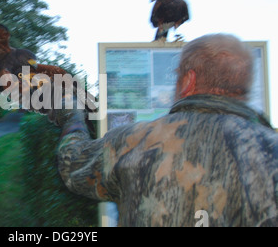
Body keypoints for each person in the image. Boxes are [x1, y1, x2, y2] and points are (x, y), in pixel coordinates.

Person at [53, 34, 278, 226]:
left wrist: (72, 115)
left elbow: (72, 163)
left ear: (189, 80)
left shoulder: (133, 141)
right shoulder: (272, 149)